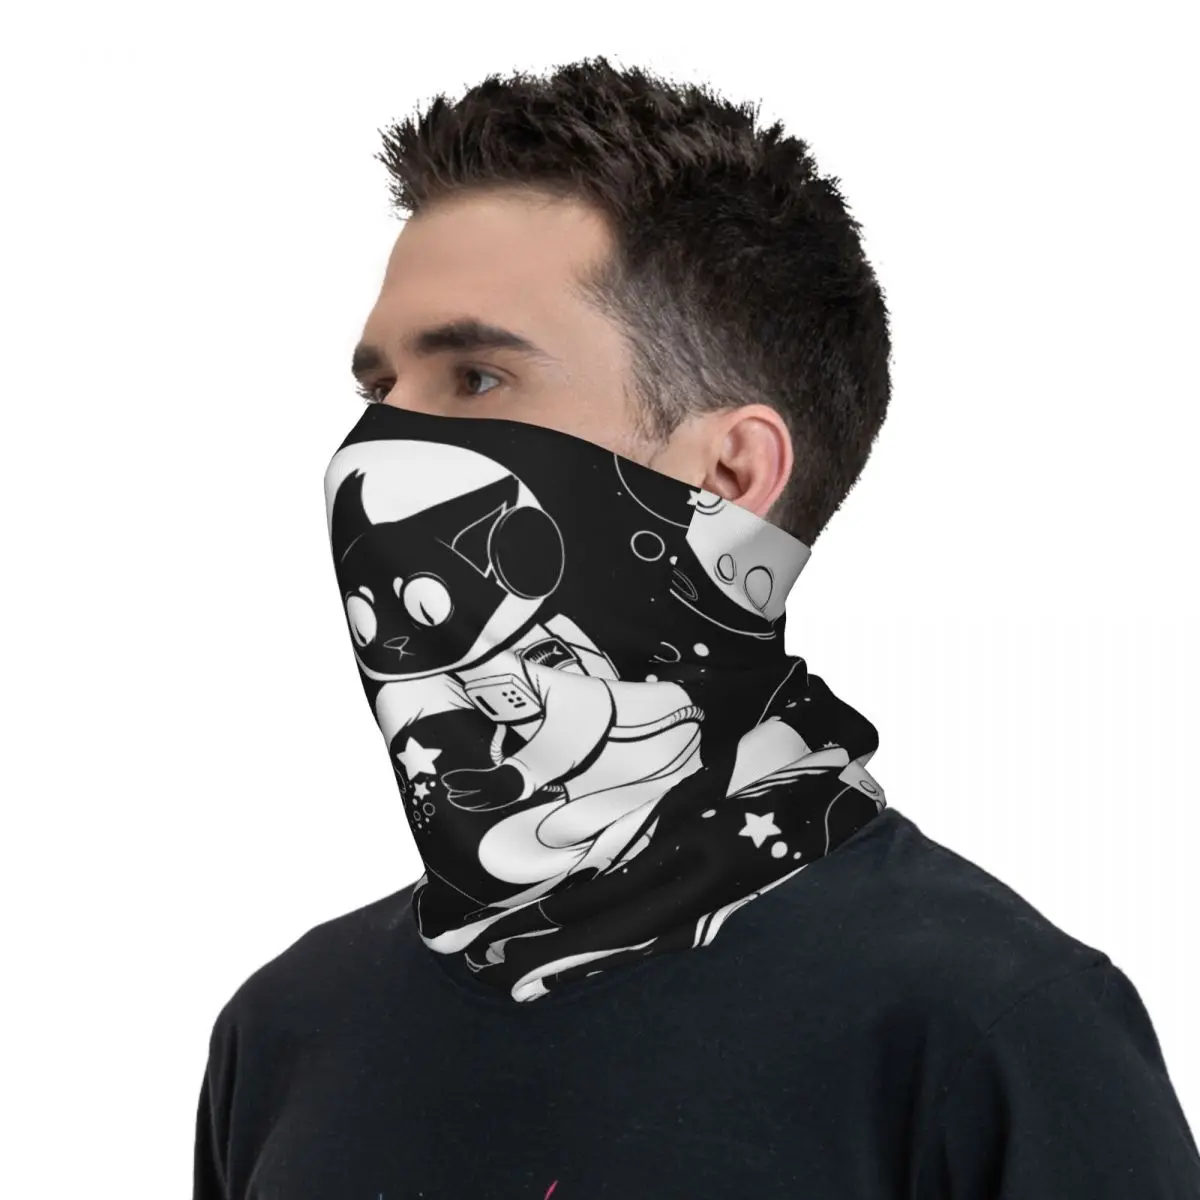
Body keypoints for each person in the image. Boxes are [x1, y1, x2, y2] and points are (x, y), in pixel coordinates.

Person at [192, 56, 1200, 1198]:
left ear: (729, 475)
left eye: (474, 379)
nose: (375, 454)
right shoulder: (287, 1034)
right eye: (379, 389)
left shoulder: (985, 1031)